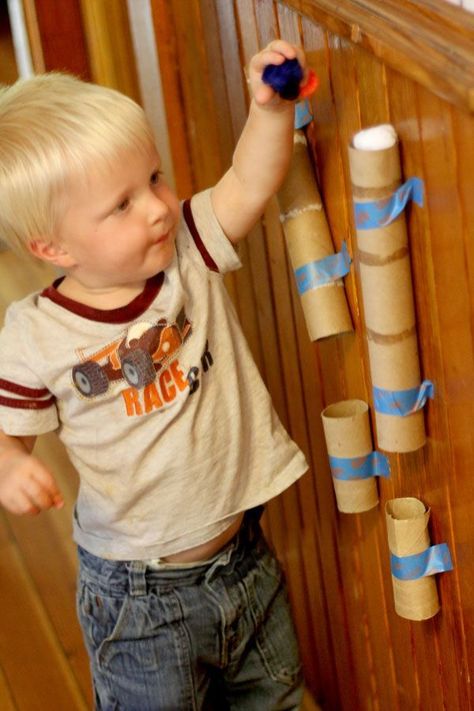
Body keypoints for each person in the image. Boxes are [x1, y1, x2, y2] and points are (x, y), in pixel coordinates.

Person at [0, 40, 309, 710]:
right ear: (52, 247)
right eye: (122, 204)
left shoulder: (188, 251)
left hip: (245, 560)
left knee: (276, 698)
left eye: (155, 179)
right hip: (139, 600)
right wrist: (7, 465)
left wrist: (271, 108)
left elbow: (250, 182)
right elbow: (6, 429)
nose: (157, 207)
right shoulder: (36, 333)